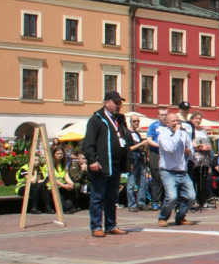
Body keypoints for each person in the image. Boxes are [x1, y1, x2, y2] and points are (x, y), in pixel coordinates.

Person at [81, 91, 129, 238]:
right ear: (106, 102)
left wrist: (128, 161)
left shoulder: (120, 119)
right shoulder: (96, 119)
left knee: (112, 197)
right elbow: (88, 143)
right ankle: (96, 226)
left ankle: (111, 225)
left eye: (119, 103)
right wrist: (92, 160)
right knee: (98, 197)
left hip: (115, 164)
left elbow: (125, 139)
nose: (118, 106)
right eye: (115, 103)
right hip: (101, 165)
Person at [157, 113, 196, 227]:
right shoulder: (162, 135)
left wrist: (189, 153)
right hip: (168, 171)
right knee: (172, 197)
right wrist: (178, 133)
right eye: (173, 121)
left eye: (177, 121)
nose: (176, 123)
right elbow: (170, 148)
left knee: (191, 196)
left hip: (182, 171)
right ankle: (163, 217)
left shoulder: (184, 135)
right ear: (167, 123)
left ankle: (180, 217)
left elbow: (192, 152)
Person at [144, 107, 169, 210]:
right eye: (162, 115)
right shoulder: (154, 126)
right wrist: (159, 145)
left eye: (165, 114)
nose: (164, 117)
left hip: (167, 155)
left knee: (166, 178)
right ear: (158, 116)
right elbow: (149, 140)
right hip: (156, 154)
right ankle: (155, 201)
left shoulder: (169, 126)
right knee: (156, 177)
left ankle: (165, 200)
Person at [190, 111, 214, 208]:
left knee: (203, 180)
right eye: (196, 118)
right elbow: (189, 143)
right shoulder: (190, 130)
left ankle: (202, 200)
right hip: (195, 158)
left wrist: (208, 146)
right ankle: (193, 200)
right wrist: (199, 147)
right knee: (193, 179)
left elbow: (209, 142)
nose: (198, 120)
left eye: (200, 119)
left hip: (205, 159)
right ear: (192, 119)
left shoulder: (203, 130)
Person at [126, 115, 149, 211]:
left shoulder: (137, 134)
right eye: (134, 121)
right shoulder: (127, 133)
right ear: (130, 122)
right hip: (132, 159)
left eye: (138, 121)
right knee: (131, 183)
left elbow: (139, 148)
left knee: (143, 182)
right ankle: (131, 204)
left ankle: (141, 202)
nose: (136, 123)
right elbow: (129, 148)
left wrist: (144, 146)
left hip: (140, 159)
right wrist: (141, 143)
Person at [50, 147, 76, 213]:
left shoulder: (64, 165)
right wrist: (64, 186)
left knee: (74, 188)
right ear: (54, 155)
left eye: (61, 154)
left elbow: (66, 176)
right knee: (64, 207)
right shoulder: (50, 165)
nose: (59, 155)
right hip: (52, 187)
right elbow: (52, 179)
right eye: (58, 154)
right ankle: (67, 208)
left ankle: (71, 206)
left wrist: (71, 183)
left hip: (62, 186)